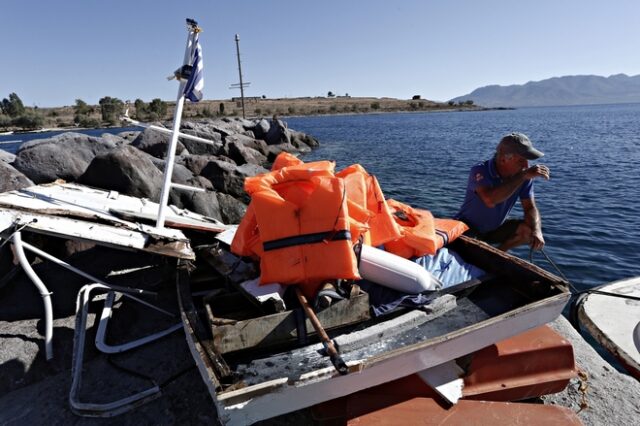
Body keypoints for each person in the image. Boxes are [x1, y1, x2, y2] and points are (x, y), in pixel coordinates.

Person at [455, 132, 550, 252]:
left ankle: (499, 254)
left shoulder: (523, 176)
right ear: (503, 159)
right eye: (521, 161)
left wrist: (537, 230)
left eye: (527, 161)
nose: (526, 165)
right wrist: (523, 176)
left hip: (495, 229)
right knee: (477, 251)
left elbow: (530, 207)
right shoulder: (480, 170)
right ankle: (489, 256)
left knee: (528, 231)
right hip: (467, 227)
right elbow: (490, 200)